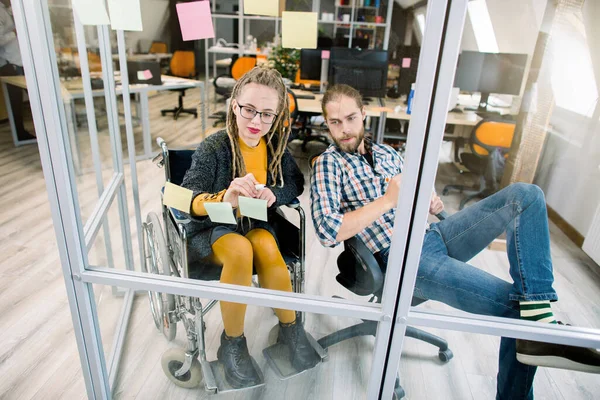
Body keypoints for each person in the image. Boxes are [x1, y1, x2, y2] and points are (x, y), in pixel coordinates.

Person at [310, 84, 600, 399]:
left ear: (364, 113)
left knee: (526, 196)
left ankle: (540, 317)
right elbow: (328, 230)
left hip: (432, 236)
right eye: (335, 122)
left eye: (351, 118)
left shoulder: (388, 153)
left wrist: (427, 200)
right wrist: (387, 201)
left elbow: (414, 193)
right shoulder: (328, 163)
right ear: (326, 124)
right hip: (402, 259)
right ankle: (537, 336)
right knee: (517, 309)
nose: (344, 129)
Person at [181, 66, 320, 389]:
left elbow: (296, 182)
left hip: (257, 223)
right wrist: (225, 197)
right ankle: (233, 342)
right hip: (215, 228)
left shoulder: (274, 148)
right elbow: (186, 197)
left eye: (267, 115)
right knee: (241, 250)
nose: (256, 122)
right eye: (249, 110)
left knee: (267, 246)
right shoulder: (214, 147)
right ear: (234, 105)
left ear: (277, 117)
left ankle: (291, 330)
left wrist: (276, 193)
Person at [0, 0, 33, 141]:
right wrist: (14, 32)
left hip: (19, 59)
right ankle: (20, 133)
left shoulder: (6, 8)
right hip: (9, 62)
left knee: (33, 97)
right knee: (15, 101)